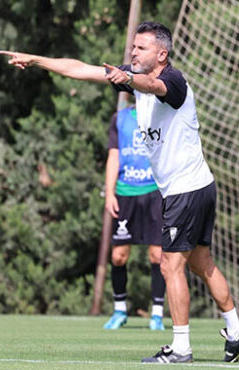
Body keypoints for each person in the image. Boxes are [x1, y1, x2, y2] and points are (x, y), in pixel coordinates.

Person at [0, 21, 239, 363]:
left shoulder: (173, 81)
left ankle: (180, 348)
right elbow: (82, 69)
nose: (133, 52)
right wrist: (37, 60)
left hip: (185, 190)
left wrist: (131, 80)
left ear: (162, 54)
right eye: (133, 47)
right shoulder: (134, 77)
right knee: (201, 263)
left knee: (169, 266)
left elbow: (153, 85)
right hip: (197, 187)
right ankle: (235, 333)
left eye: (141, 48)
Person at [103, 105, 166, 331]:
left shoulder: (161, 113)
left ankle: (157, 315)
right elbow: (113, 157)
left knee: (158, 255)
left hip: (154, 192)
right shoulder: (119, 119)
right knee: (119, 256)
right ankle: (120, 310)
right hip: (126, 193)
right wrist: (109, 192)